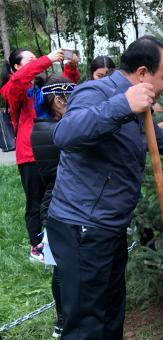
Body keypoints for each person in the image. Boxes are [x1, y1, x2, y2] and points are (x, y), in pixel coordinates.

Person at [46, 36, 163, 340]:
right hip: (82, 227)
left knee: (111, 313)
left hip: (109, 227)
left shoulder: (140, 106)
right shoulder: (97, 92)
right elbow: (65, 133)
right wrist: (123, 104)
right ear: (141, 73)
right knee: (86, 324)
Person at [0, 48, 79, 262]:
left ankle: (57, 239)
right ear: (16, 66)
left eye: (37, 58)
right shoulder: (13, 88)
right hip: (30, 155)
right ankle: (36, 247)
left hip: (54, 149)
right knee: (35, 201)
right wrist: (46, 59)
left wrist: (70, 67)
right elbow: (17, 82)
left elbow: (66, 87)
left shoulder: (43, 87)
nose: (37, 61)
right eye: (31, 59)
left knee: (57, 196)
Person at [30, 74, 76, 338]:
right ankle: (63, 320)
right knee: (61, 270)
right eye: (73, 100)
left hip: (55, 205)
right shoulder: (54, 131)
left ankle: (63, 320)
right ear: (59, 101)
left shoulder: (45, 126)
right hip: (57, 207)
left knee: (61, 268)